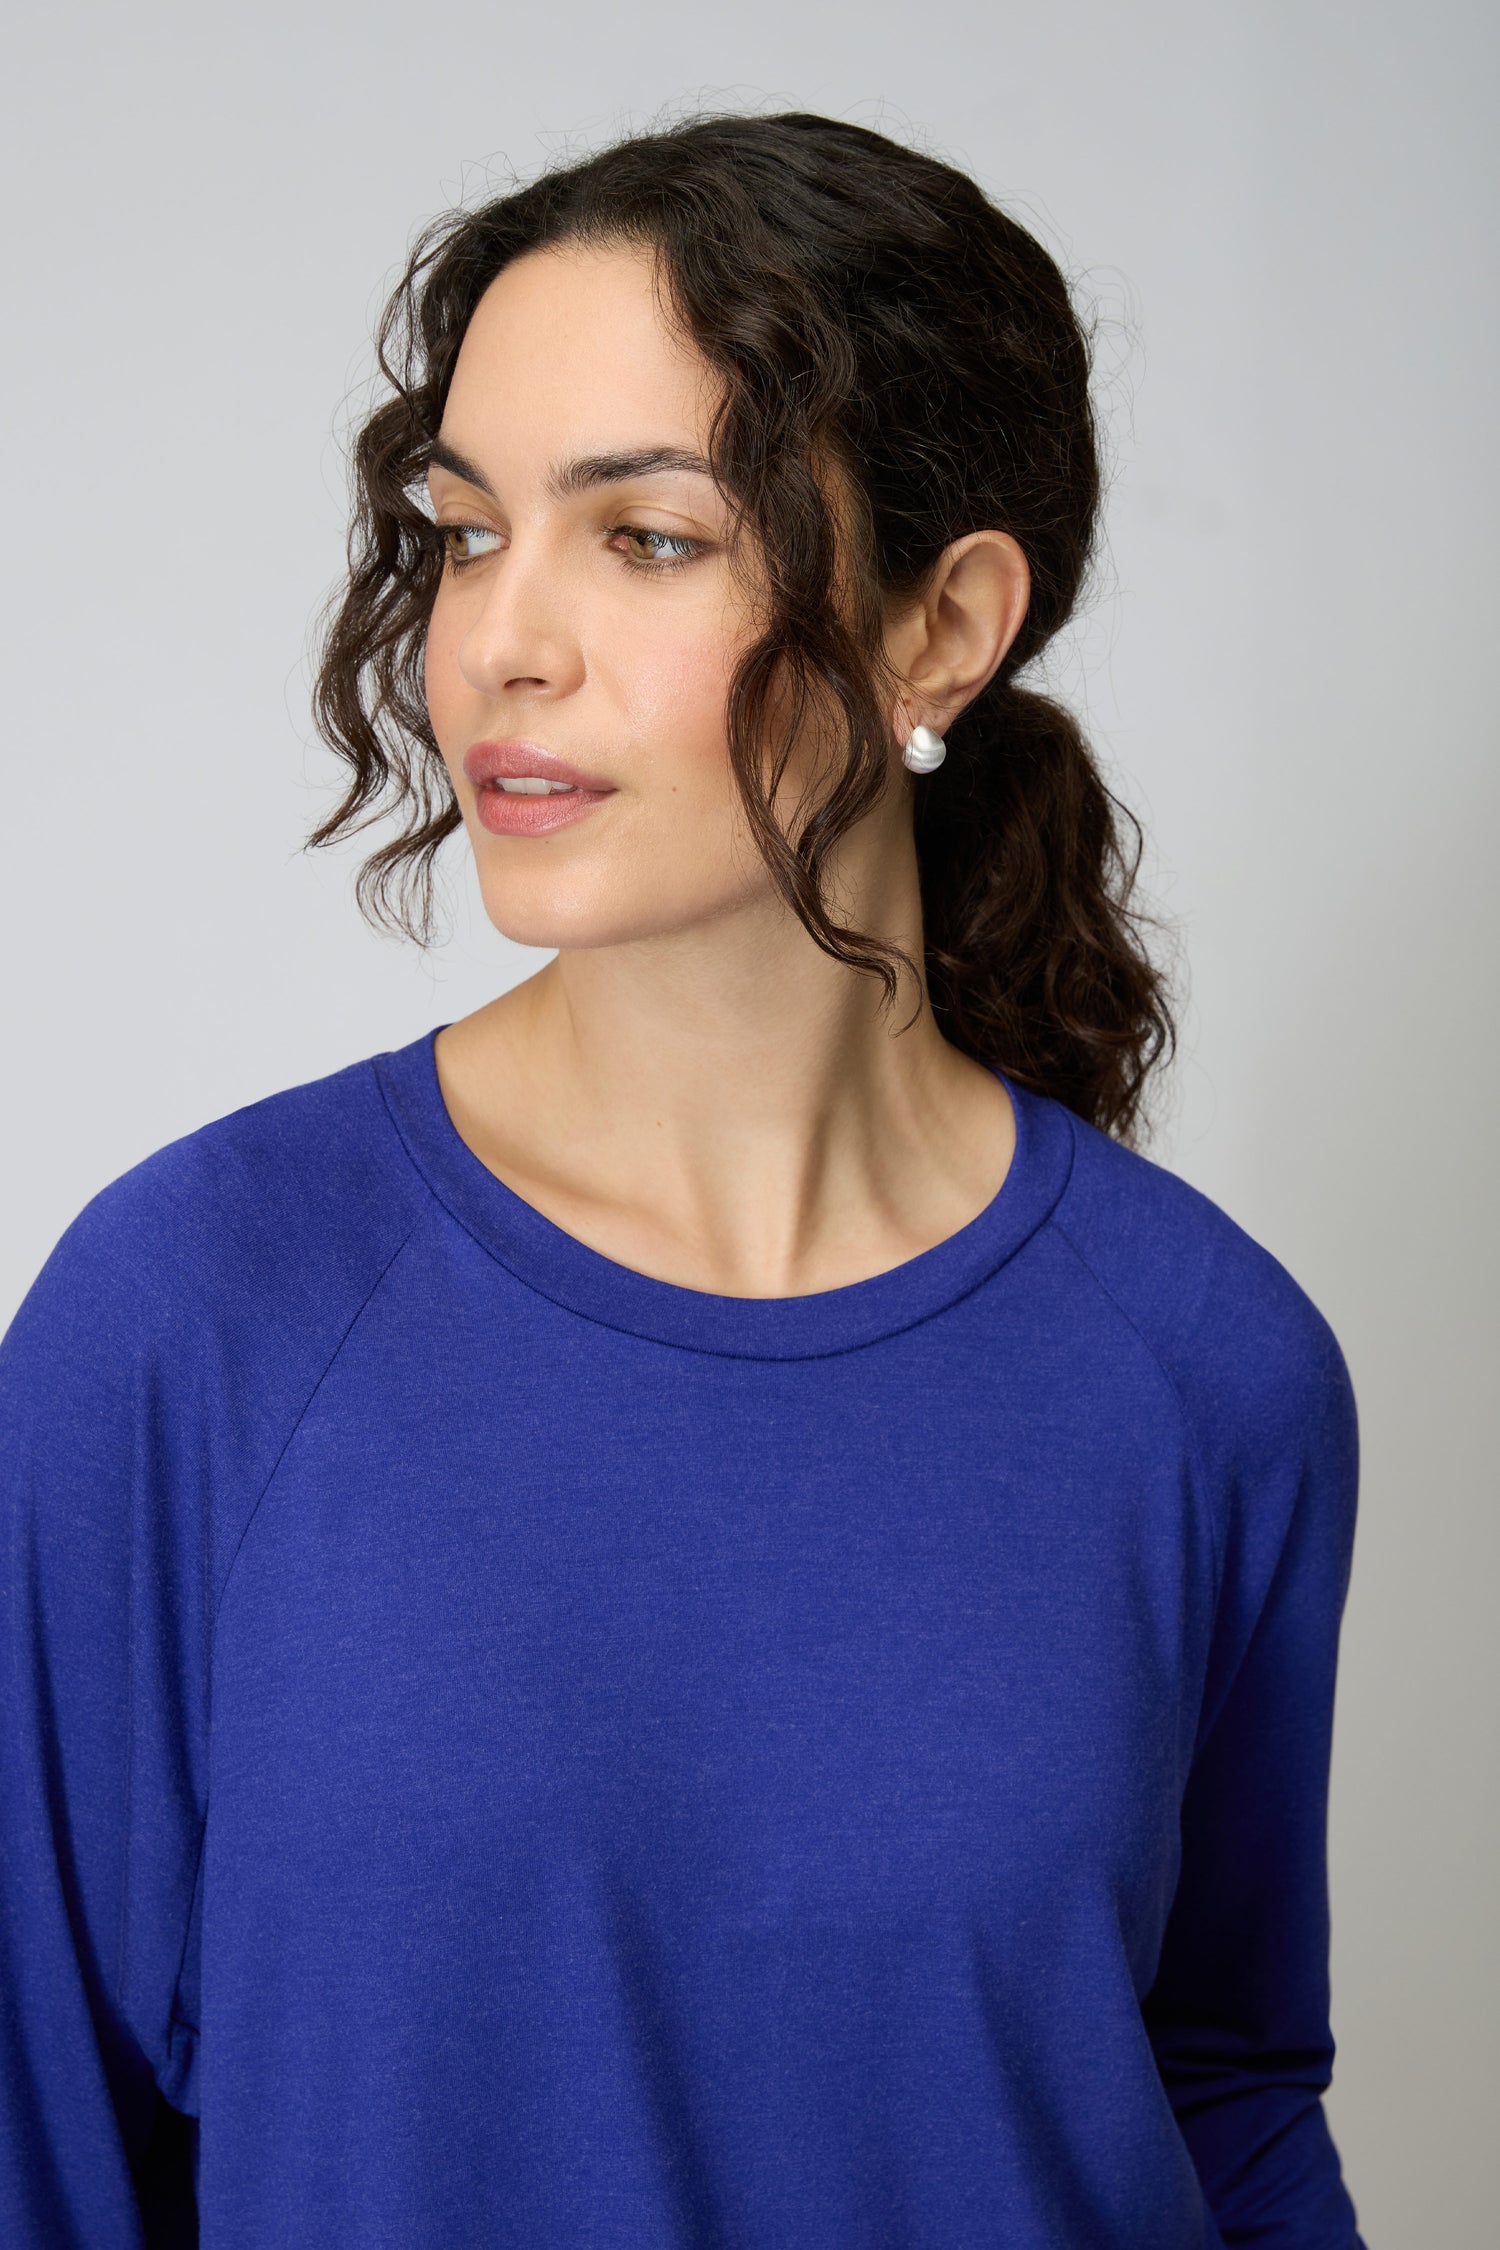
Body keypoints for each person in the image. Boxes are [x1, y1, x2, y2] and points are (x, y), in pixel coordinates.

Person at [0, 112, 1367, 2249]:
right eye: (465, 535)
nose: (497, 647)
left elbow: (1226, 2094)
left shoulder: (1213, 1374)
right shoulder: (191, 1321)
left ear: (943, 628)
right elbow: (38, 2142)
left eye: (644, 540)